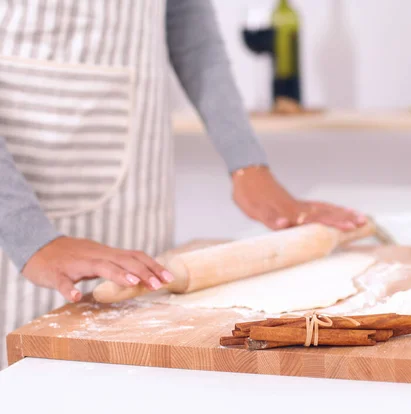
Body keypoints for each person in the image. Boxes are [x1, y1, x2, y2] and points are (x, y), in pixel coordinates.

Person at [0, 0, 366, 369]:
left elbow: (188, 19)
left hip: (138, 175)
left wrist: (246, 162)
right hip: (20, 197)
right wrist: (30, 237)